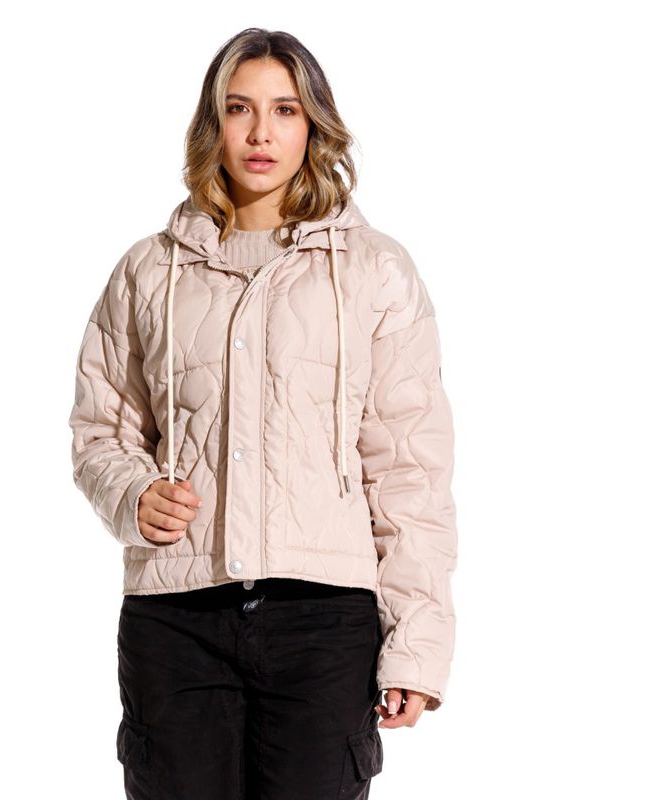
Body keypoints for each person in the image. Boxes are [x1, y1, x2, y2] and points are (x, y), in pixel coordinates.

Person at [68, 27, 458, 800]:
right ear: (212, 123)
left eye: (284, 110)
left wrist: (417, 644)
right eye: (239, 108)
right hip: (176, 618)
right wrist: (132, 493)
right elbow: (101, 430)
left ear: (313, 125)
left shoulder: (374, 270)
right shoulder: (149, 270)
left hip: (325, 621)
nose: (260, 133)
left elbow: (410, 468)